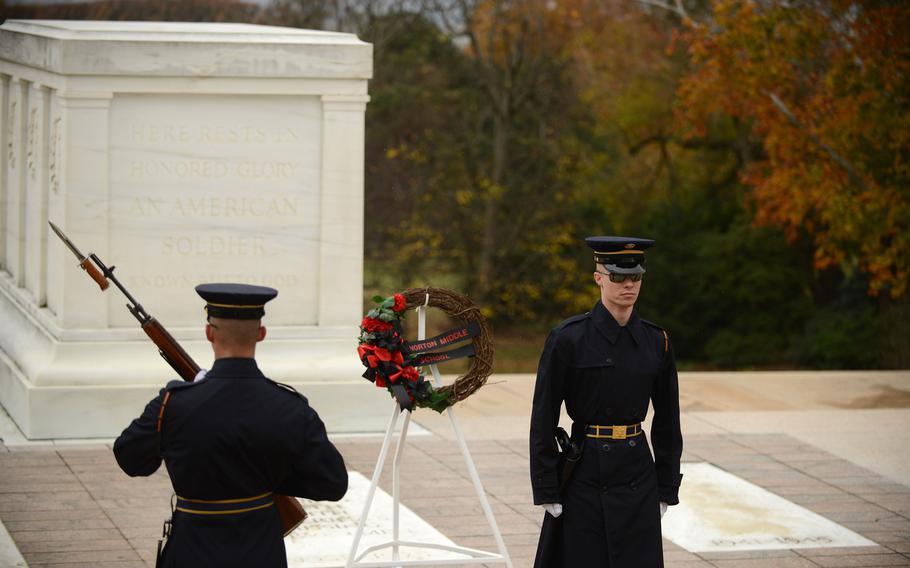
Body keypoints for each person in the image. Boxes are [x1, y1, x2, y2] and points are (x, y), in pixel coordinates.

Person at [113, 283, 348, 568]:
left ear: (209, 332)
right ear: (261, 334)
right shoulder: (290, 407)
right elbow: (333, 484)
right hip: (261, 552)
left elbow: (131, 459)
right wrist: (271, 473)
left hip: (190, 550)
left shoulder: (173, 404)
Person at [530, 236, 683, 568]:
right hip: (586, 471)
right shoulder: (568, 338)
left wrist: (667, 484)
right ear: (598, 276)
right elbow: (544, 413)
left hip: (637, 471)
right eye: (617, 276)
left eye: (636, 277)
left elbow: (669, 420)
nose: (628, 284)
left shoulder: (656, 341)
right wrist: (546, 486)